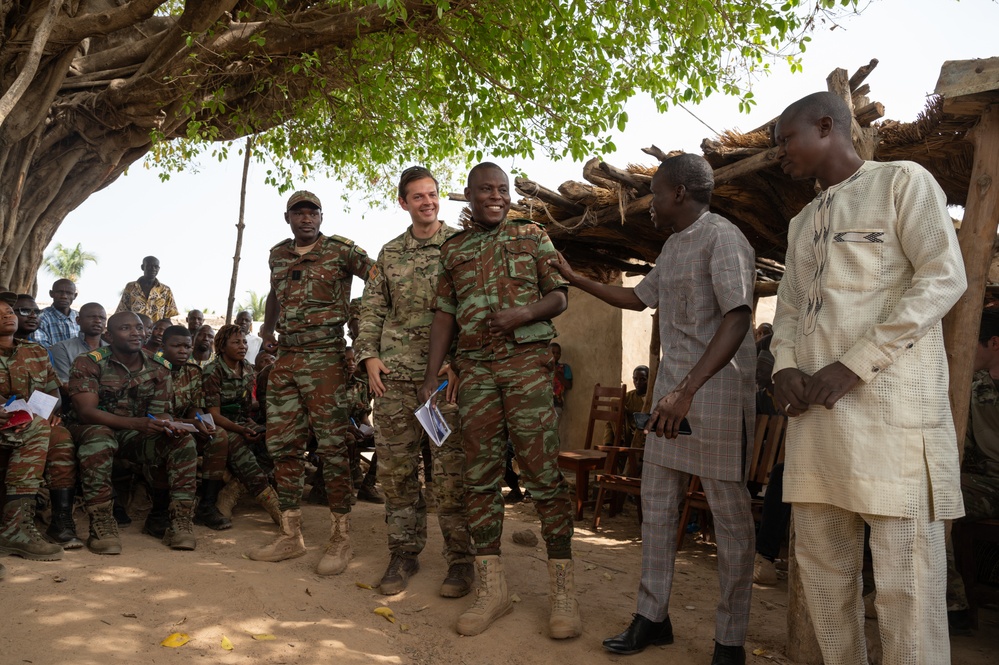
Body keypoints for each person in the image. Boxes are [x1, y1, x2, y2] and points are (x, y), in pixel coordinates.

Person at [770, 91, 966, 664]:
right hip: (816, 430)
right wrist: (783, 368)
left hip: (893, 426)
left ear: (827, 127)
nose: (780, 153)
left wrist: (854, 364)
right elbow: (786, 311)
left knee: (908, 591)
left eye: (787, 140)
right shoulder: (802, 222)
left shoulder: (903, 181)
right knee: (826, 588)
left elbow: (942, 278)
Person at [551, 153, 756, 664]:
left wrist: (686, 389)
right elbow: (638, 300)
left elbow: (736, 320)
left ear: (681, 193)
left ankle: (729, 642)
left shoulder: (724, 238)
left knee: (731, 525)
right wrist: (575, 279)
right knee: (658, 511)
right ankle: (652, 618)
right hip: (670, 398)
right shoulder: (672, 245)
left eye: (656, 193)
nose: (651, 204)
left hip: (715, 397)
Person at [419, 162, 578, 639]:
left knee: (542, 472)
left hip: (527, 366)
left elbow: (560, 296)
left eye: (503, 189)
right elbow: (444, 316)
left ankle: (563, 593)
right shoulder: (453, 250)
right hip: (477, 371)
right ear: (467, 195)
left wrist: (523, 313)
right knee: (479, 477)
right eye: (486, 189)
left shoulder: (532, 235)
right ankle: (493, 590)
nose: (496, 196)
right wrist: (431, 376)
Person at [355, 165, 474, 597]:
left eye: (433, 194)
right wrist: (368, 356)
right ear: (403, 203)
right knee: (397, 473)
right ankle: (403, 553)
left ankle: (461, 561)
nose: (428, 202)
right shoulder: (389, 254)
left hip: (442, 382)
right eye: (418, 197)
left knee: (449, 474)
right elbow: (371, 309)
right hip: (394, 380)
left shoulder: (460, 247)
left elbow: (473, 310)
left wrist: (458, 361)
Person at [249, 189, 374, 576]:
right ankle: (291, 535)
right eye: (298, 213)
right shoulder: (277, 254)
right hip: (286, 358)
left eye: (312, 213)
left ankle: (340, 538)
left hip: (326, 358)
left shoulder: (342, 250)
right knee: (284, 446)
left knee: (334, 448)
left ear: (321, 217)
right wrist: (266, 330)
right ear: (287, 218)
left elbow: (379, 279)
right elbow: (274, 293)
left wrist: (361, 323)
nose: (306, 218)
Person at [67, 311, 199, 554]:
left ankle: (179, 521)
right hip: (90, 430)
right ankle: (102, 523)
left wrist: (166, 424)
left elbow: (160, 412)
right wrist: (137, 424)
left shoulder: (159, 367)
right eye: (125, 328)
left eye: (139, 328)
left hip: (133, 434)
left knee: (183, 442)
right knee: (100, 437)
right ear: (109, 335)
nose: (136, 332)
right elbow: (86, 412)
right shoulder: (89, 361)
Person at [0, 301, 71, 562]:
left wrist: (49, 410)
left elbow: (53, 390)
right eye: (0, 315)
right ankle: (14, 528)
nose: (7, 316)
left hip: (29, 422)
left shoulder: (36, 351)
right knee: (38, 429)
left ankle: (61, 521)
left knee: (60, 436)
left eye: (9, 312)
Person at [946, 309, 999, 633]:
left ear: (993, 343)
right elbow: (961, 445)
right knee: (931, 492)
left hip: (991, 484)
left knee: (939, 493)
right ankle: (952, 606)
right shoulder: (974, 384)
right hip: (983, 482)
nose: (967, 350)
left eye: (972, 344)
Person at [202, 324, 281, 525]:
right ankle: (275, 507)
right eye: (236, 342)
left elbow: (245, 411)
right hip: (217, 427)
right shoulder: (213, 371)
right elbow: (213, 414)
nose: (242, 346)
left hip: (240, 423)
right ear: (221, 346)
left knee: (275, 440)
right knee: (239, 444)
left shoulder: (247, 368)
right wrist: (242, 429)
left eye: (244, 342)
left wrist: (252, 425)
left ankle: (233, 489)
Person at [157, 325, 232, 531]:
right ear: (163, 346)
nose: (183, 351)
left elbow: (194, 406)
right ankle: (165, 509)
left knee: (218, 435)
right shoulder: (152, 370)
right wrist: (192, 423)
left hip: (185, 423)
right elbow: (154, 414)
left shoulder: (193, 371)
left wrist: (201, 421)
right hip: (156, 426)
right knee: (183, 440)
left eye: (187, 346)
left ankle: (207, 505)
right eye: (177, 346)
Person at [50, 303, 108, 384]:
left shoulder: (111, 349)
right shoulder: (62, 348)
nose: (98, 321)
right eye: (92, 317)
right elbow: (64, 384)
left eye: (102, 318)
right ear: (78, 320)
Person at [115, 256, 180, 321]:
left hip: (156, 330)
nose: (153, 269)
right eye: (149, 266)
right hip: (135, 330)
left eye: (156, 266)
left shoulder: (165, 290)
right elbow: (123, 311)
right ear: (142, 267)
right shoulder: (131, 287)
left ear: (159, 269)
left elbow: (168, 316)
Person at [603, 365, 650, 446]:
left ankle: (616, 445)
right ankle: (613, 443)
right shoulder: (628, 396)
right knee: (613, 408)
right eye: (635, 379)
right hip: (626, 434)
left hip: (642, 436)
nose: (638, 382)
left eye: (643, 379)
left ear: (649, 380)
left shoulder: (651, 398)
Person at [34, 279, 79, 348]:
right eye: (59, 292)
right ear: (51, 293)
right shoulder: (40, 317)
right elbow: (42, 347)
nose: (64, 296)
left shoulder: (80, 317)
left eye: (69, 293)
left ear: (75, 296)